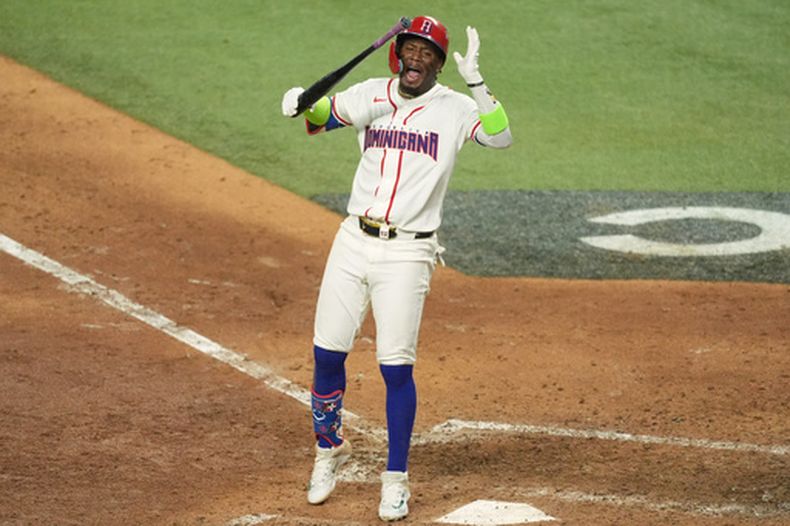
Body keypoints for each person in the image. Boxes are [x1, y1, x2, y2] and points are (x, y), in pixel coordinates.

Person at [281, 15, 512, 522]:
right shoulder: (371, 93)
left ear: (438, 64)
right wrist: (302, 101)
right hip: (353, 239)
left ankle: (395, 480)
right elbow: (322, 117)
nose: (416, 58)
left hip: (409, 252)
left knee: (395, 368)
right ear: (398, 53)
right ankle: (328, 450)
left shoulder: (455, 109)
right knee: (326, 353)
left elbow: (500, 136)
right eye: (411, 49)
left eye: (428, 53)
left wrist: (476, 81)